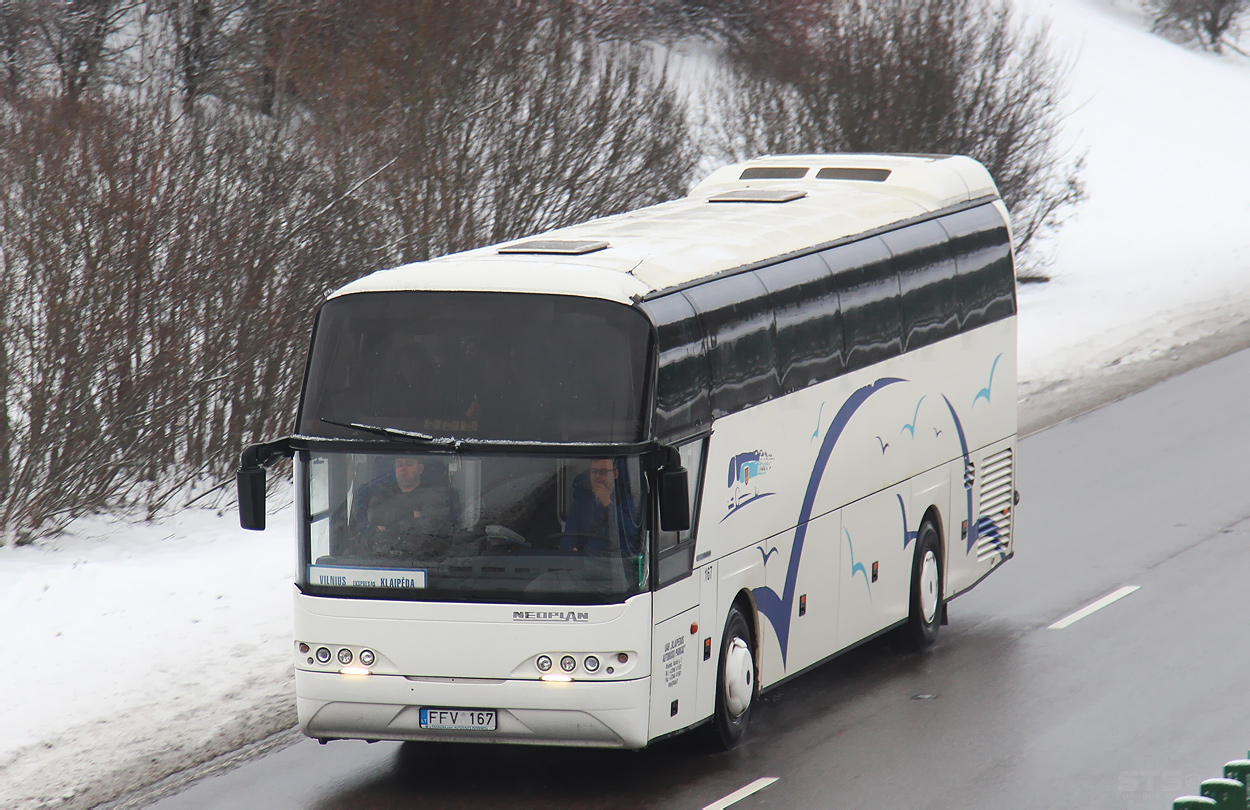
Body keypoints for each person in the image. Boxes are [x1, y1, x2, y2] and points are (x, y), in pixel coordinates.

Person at [361, 457, 453, 558]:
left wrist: (388, 524)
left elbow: (429, 528)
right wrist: (412, 514)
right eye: (399, 464)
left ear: (420, 469)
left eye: (409, 464)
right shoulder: (383, 493)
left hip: (424, 559)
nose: (403, 468)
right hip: (383, 558)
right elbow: (375, 517)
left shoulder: (434, 495)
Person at [561, 458, 641, 556]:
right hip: (586, 562)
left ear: (615, 474)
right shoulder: (581, 502)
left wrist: (608, 503)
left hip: (618, 561)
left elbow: (632, 532)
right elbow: (568, 537)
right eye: (594, 472)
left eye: (603, 472)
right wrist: (571, 549)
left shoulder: (627, 499)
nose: (597, 476)